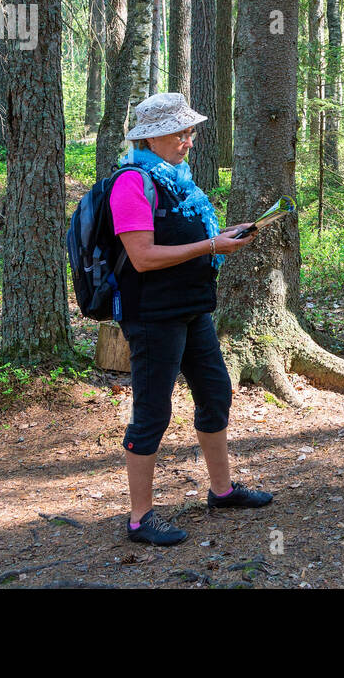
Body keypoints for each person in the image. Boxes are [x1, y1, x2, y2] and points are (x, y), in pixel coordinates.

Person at [110, 91, 273, 547]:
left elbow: (183, 236)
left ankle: (221, 491)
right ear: (156, 136)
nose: (191, 140)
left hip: (191, 308)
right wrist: (209, 247)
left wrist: (219, 237)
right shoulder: (131, 183)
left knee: (216, 392)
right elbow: (141, 257)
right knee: (152, 413)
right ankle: (140, 518)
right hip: (152, 315)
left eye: (190, 131)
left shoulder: (177, 179)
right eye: (182, 133)